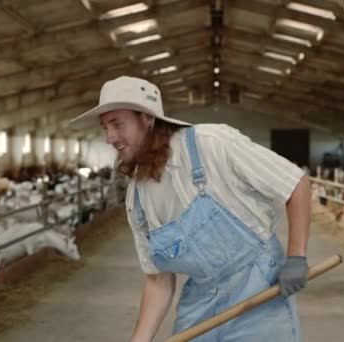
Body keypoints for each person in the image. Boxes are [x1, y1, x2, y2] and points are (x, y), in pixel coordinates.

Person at [70, 76, 311, 342]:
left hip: (259, 290)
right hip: (201, 301)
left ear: (147, 118)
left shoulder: (211, 144)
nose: (109, 137)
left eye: (117, 124)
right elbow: (158, 280)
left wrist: (296, 257)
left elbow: (295, 183)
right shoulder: (137, 199)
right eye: (105, 127)